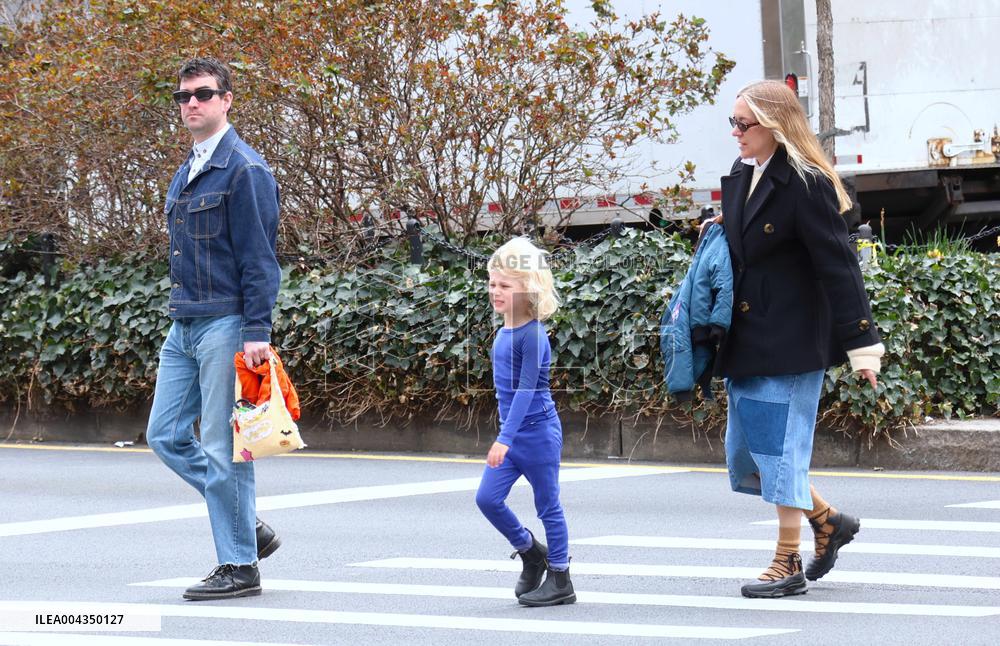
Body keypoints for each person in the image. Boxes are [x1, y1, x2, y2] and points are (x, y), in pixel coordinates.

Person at [714, 80, 884, 598]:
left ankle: (786, 562)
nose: (736, 133)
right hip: (746, 339)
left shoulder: (807, 183)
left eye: (744, 123)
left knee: (782, 453)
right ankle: (828, 520)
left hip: (792, 341)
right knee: (749, 458)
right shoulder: (742, 178)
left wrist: (862, 346)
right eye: (733, 123)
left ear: (774, 125)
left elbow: (840, 267)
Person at [145, 56, 283, 600]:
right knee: (164, 435)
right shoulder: (190, 167)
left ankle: (239, 565)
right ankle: (245, 524)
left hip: (227, 324)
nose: (191, 104)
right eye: (183, 97)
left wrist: (257, 332)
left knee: (226, 450)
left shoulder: (245, 170)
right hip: (184, 323)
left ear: (226, 99)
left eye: (202, 94)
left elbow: (260, 260)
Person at [475, 238, 575, 607]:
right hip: (514, 436)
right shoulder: (504, 331)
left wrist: (504, 438)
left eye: (505, 285)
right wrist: (506, 437)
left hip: (537, 435)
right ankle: (532, 553)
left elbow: (526, 390)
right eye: (492, 283)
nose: (495, 291)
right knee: (487, 499)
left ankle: (562, 578)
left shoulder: (533, 334)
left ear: (527, 289)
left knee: (548, 506)